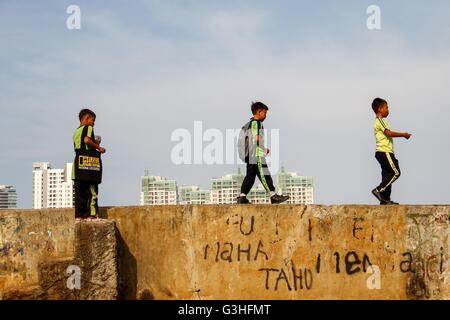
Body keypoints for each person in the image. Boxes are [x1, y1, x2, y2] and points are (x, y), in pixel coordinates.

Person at [237, 102, 290, 204]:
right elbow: (257, 138)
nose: (266, 115)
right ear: (259, 112)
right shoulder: (257, 123)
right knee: (265, 174)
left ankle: (242, 197)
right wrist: (264, 148)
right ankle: (273, 196)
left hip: (250, 155)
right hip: (256, 154)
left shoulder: (249, 124)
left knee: (250, 177)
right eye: (265, 113)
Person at [371, 98, 411, 205]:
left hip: (383, 152)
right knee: (395, 172)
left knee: (387, 175)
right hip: (384, 152)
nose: (388, 110)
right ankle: (378, 190)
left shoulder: (380, 121)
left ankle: (385, 199)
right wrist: (403, 135)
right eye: (386, 107)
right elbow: (388, 133)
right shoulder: (380, 121)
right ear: (380, 109)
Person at [72, 109, 106, 220]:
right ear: (86, 118)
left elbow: (81, 144)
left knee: (79, 194)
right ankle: (92, 216)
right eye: (93, 120)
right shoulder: (88, 128)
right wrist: (98, 147)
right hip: (89, 167)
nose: (94, 123)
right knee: (92, 192)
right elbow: (86, 140)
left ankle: (79, 216)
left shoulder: (76, 132)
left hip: (77, 167)